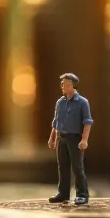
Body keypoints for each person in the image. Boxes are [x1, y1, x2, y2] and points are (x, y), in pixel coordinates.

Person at [47, 72, 92, 206]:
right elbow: (56, 122)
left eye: (66, 84)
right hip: (61, 137)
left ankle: (82, 194)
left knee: (77, 167)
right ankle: (63, 193)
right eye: (62, 84)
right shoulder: (60, 102)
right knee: (63, 166)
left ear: (73, 85)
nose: (63, 87)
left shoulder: (82, 102)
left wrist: (84, 140)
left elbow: (87, 122)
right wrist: (52, 138)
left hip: (75, 138)